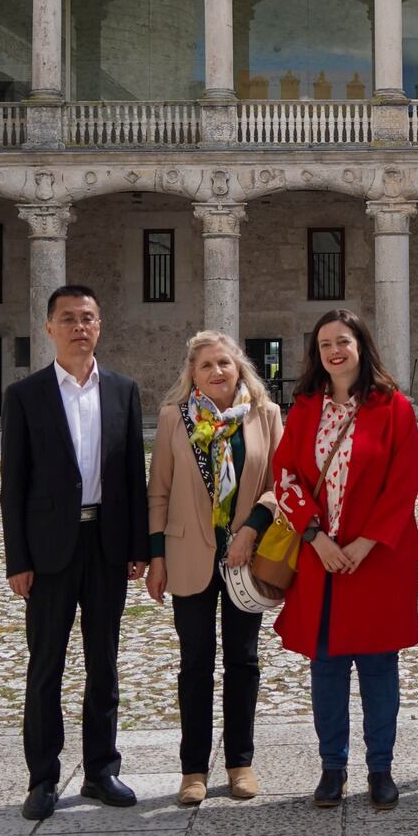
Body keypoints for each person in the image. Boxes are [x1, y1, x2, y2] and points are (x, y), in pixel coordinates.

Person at [0, 284, 149, 821]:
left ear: (100, 326)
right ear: (49, 328)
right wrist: (18, 559)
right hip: (49, 551)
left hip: (106, 546)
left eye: (88, 318)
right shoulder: (26, 395)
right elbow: (12, 485)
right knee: (46, 666)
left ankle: (101, 769)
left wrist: (139, 546)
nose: (79, 327)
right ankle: (42, 778)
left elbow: (134, 476)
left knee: (103, 664)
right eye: (68, 319)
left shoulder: (123, 390)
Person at [270, 309, 418, 812]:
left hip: (376, 561)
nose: (335, 351)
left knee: (380, 669)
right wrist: (316, 538)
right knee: (328, 669)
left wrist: (364, 544)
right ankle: (331, 768)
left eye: (344, 341)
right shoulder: (305, 408)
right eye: (325, 344)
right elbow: (285, 476)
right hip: (321, 559)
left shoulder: (394, 407)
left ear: (361, 346)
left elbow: (403, 486)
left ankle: (381, 768)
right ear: (317, 353)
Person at [145, 331, 285, 806]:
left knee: (243, 661)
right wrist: (156, 558)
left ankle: (241, 763)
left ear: (239, 366)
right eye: (206, 366)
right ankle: (193, 770)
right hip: (189, 557)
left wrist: (250, 530)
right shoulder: (173, 420)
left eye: (224, 363)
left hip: (245, 558)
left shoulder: (265, 415)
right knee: (195, 663)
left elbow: (280, 484)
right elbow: (159, 492)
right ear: (193, 375)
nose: (217, 372)